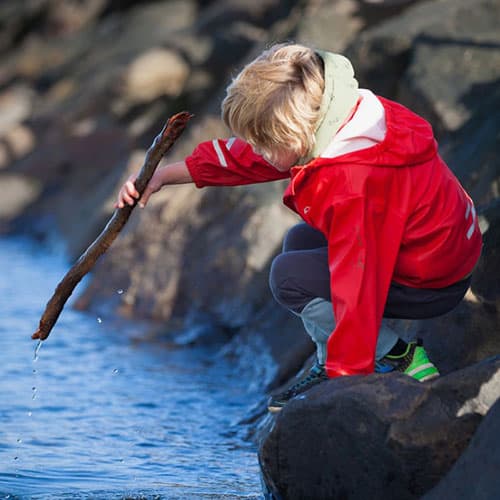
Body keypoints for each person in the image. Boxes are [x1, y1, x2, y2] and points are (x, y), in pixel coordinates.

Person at [116, 43, 482, 413]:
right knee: (298, 241)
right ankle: (329, 361)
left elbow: (358, 283)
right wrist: (166, 175)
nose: (256, 152)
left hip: (432, 280)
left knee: (288, 277)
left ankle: (399, 355)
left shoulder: (355, 184)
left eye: (265, 144)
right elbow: (252, 158)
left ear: (296, 137)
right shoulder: (348, 116)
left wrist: (348, 379)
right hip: (446, 247)